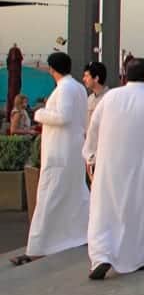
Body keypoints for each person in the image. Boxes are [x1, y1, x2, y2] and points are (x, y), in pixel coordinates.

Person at [82, 58, 144, 280]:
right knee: (137, 212)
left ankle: (101, 256)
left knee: (103, 211)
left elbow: (93, 128)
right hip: (142, 168)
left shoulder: (110, 97)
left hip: (108, 166)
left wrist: (90, 156)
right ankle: (136, 258)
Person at [10, 52, 89, 267]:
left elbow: (63, 117)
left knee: (49, 196)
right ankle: (82, 234)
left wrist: (40, 113)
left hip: (59, 152)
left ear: (52, 69)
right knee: (76, 195)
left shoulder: (65, 89)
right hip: (72, 150)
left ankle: (38, 247)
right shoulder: (79, 89)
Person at [82, 62, 109, 131]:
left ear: (96, 78)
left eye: (87, 76)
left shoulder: (109, 98)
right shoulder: (90, 98)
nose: (83, 79)